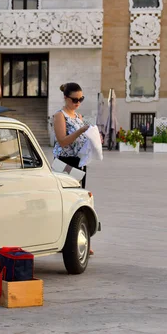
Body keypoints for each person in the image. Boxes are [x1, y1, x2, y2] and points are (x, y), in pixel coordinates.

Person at [52, 82, 94, 255]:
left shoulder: (78, 116)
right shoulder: (59, 116)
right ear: (65, 98)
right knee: (67, 202)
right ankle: (64, 241)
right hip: (64, 163)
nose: (77, 103)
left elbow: (82, 140)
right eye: (74, 99)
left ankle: (80, 240)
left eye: (81, 99)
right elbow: (62, 141)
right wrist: (81, 131)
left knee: (80, 202)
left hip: (79, 162)